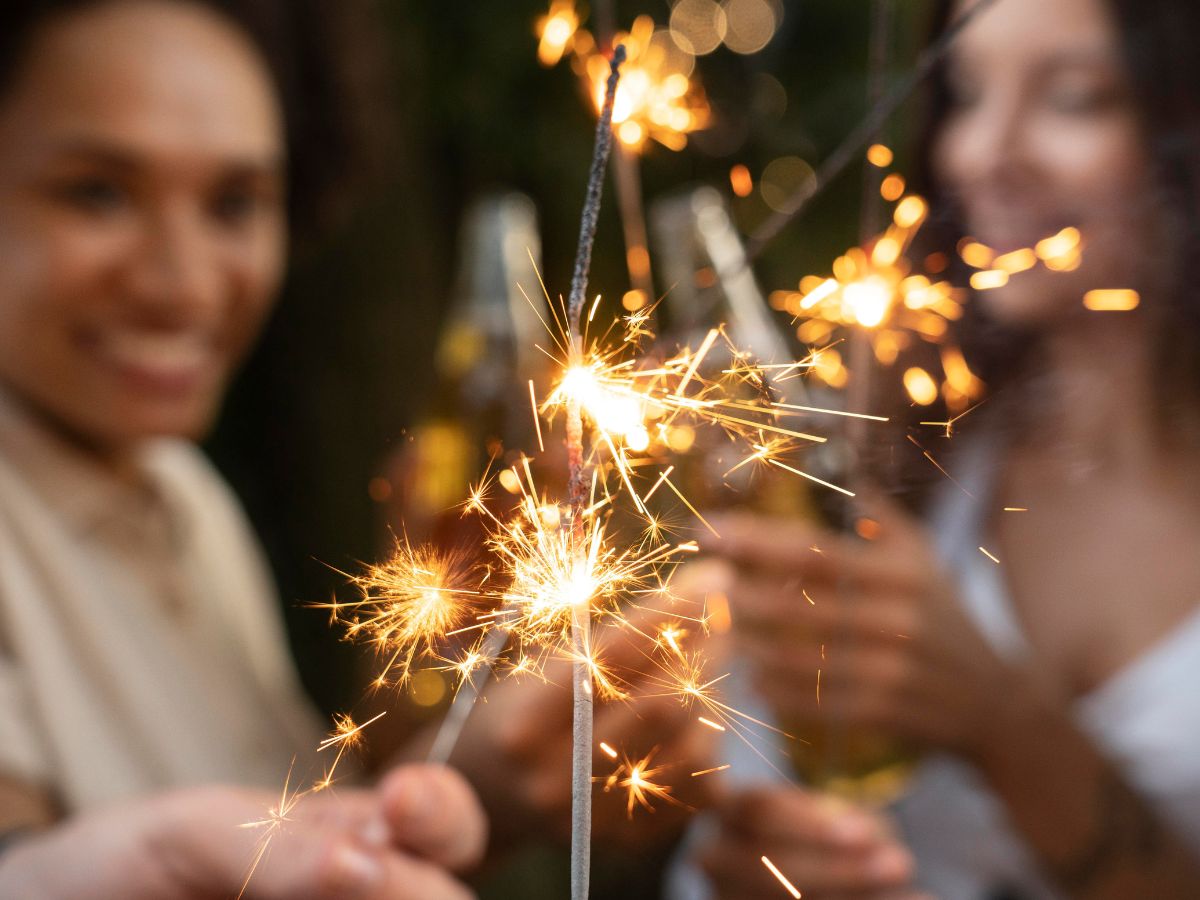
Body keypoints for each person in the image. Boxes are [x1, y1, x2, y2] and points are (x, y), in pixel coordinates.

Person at [693, 0, 1200, 897]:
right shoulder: (896, 436)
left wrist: (997, 718)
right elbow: (738, 778)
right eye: (965, 93)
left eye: (1073, 98)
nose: (981, 153)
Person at [0, 1, 485, 896]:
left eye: (234, 203)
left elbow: (280, 829)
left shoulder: (185, 496)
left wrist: (433, 735)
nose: (182, 284)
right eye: (96, 192)